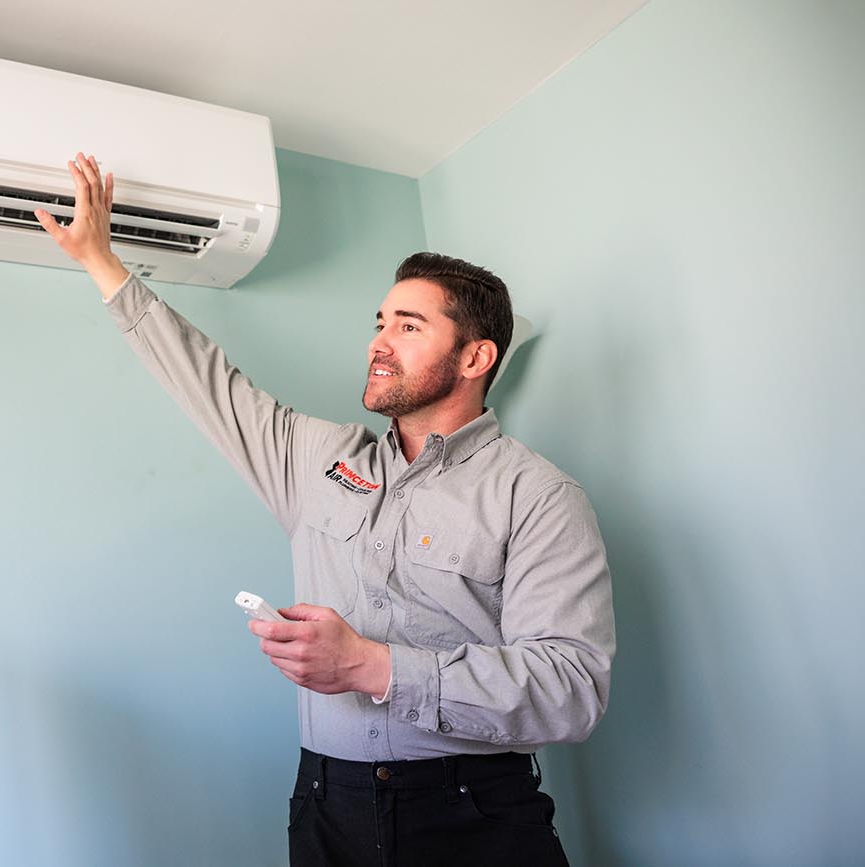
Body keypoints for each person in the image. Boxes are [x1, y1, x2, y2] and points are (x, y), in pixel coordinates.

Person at [36, 153, 614, 866]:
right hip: (324, 809)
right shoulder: (318, 462)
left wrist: (373, 666)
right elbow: (207, 381)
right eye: (379, 321)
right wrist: (100, 261)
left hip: (474, 814)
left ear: (475, 358)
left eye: (408, 326)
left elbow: (572, 689)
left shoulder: (539, 495)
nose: (377, 340)